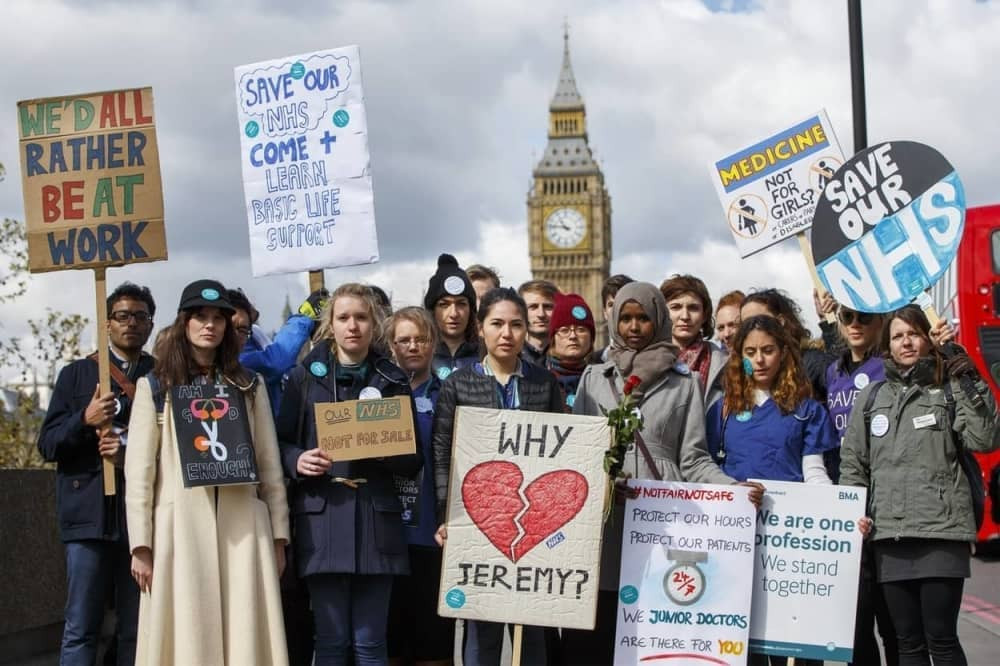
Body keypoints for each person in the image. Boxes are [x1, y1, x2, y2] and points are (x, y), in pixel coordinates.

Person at [566, 282, 754, 664]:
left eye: (644, 318)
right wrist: (606, 485)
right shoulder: (593, 378)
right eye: (627, 318)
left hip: (660, 525)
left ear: (658, 321)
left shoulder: (685, 384)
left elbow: (694, 459)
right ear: (616, 320)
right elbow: (577, 458)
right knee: (598, 637)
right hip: (605, 526)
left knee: (652, 638)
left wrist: (734, 489)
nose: (635, 326)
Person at [124, 280, 289, 665]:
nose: (209, 325)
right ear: (184, 322)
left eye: (218, 318)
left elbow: (269, 464)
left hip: (243, 531)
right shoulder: (156, 387)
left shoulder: (249, 385)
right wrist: (141, 546)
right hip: (179, 531)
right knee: (185, 636)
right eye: (200, 316)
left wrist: (279, 535)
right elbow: (140, 474)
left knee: (245, 634)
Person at [841, 306, 999, 666]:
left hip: (942, 534)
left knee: (941, 640)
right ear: (887, 345)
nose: (906, 341)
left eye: (914, 333)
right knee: (907, 643)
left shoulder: (950, 386)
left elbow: (986, 437)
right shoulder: (872, 398)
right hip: (890, 537)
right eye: (898, 336)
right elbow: (854, 464)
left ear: (929, 339)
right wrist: (854, 513)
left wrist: (965, 370)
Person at [277, 283, 422, 666]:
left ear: (374, 324)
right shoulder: (304, 376)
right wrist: (296, 461)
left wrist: (390, 452)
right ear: (330, 325)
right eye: (343, 318)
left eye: (360, 317)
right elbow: (276, 444)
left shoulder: (393, 380)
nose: (352, 326)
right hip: (322, 521)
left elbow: (413, 461)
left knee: (370, 643)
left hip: (376, 522)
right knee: (330, 641)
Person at [432, 287, 563, 666]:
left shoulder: (544, 382)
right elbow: (443, 453)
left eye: (516, 325)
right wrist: (446, 516)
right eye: (497, 324)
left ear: (526, 330)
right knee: (481, 635)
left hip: (532, 525)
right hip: (478, 522)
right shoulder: (457, 384)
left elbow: (561, 455)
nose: (507, 333)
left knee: (531, 635)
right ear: (480, 329)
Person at [37, 282, 156, 666]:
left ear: (151, 325)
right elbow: (48, 445)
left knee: (137, 629)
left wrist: (129, 458)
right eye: (123, 316)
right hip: (87, 517)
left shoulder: (161, 376)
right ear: (107, 324)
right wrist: (84, 421)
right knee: (81, 626)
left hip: (142, 520)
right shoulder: (75, 375)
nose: (131, 324)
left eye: (140, 316)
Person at [824, 306, 898, 666]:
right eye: (847, 317)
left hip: (884, 503)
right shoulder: (832, 371)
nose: (854, 325)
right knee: (855, 624)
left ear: (881, 322)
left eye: (864, 318)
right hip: (847, 504)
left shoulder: (888, 369)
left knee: (893, 625)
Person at [383, 307, 455, 666]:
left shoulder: (450, 394)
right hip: (384, 538)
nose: (413, 346)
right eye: (404, 340)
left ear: (434, 343)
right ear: (391, 345)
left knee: (433, 647)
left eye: (421, 339)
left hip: (432, 535)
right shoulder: (375, 393)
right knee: (391, 646)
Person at [706, 315, 837, 485]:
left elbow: (814, 473)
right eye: (750, 353)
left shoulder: (807, 411)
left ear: (782, 354)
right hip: (734, 508)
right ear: (740, 357)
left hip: (786, 507)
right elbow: (708, 469)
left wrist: (835, 508)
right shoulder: (722, 410)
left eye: (768, 351)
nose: (759, 360)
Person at [229, 287, 326, 418]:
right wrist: (305, 317)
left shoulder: (253, 335)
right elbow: (274, 363)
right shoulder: (234, 357)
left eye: (243, 327)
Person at [741, 288, 836, 401]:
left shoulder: (811, 363)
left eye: (759, 321)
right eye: (745, 324)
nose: (751, 329)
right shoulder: (740, 375)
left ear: (781, 321)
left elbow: (842, 384)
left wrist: (830, 326)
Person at [660, 274, 727, 408]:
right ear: (662, 312)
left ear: (704, 315)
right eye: (676, 307)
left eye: (693, 308)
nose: (685, 316)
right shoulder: (647, 359)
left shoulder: (723, 363)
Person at [424, 254, 480, 381]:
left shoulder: (487, 354)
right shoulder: (420, 355)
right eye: (444, 304)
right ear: (432, 311)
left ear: (471, 310)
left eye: (461, 304)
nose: (454, 313)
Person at [545, 293, 596, 411]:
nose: (573, 336)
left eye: (581, 330)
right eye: (564, 330)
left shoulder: (605, 381)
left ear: (591, 338)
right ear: (553, 339)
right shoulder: (538, 380)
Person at [592, 273, 634, 363]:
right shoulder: (592, 362)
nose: (617, 310)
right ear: (604, 312)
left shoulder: (657, 360)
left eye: (623, 303)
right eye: (611, 305)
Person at [518, 279, 558, 367]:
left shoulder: (570, 359)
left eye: (548, 307)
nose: (541, 314)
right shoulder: (510, 358)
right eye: (533, 307)